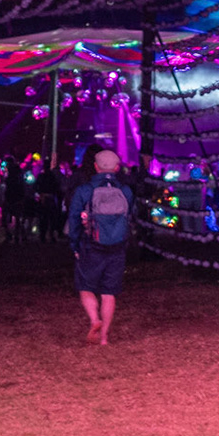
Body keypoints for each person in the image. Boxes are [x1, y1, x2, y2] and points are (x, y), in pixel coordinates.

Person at [67, 146, 135, 345]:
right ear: (117, 168)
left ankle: (94, 320)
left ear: (96, 167)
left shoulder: (85, 190)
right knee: (109, 292)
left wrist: (75, 245)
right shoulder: (125, 191)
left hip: (91, 245)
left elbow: (74, 219)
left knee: (85, 287)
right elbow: (131, 216)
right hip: (117, 246)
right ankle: (104, 337)